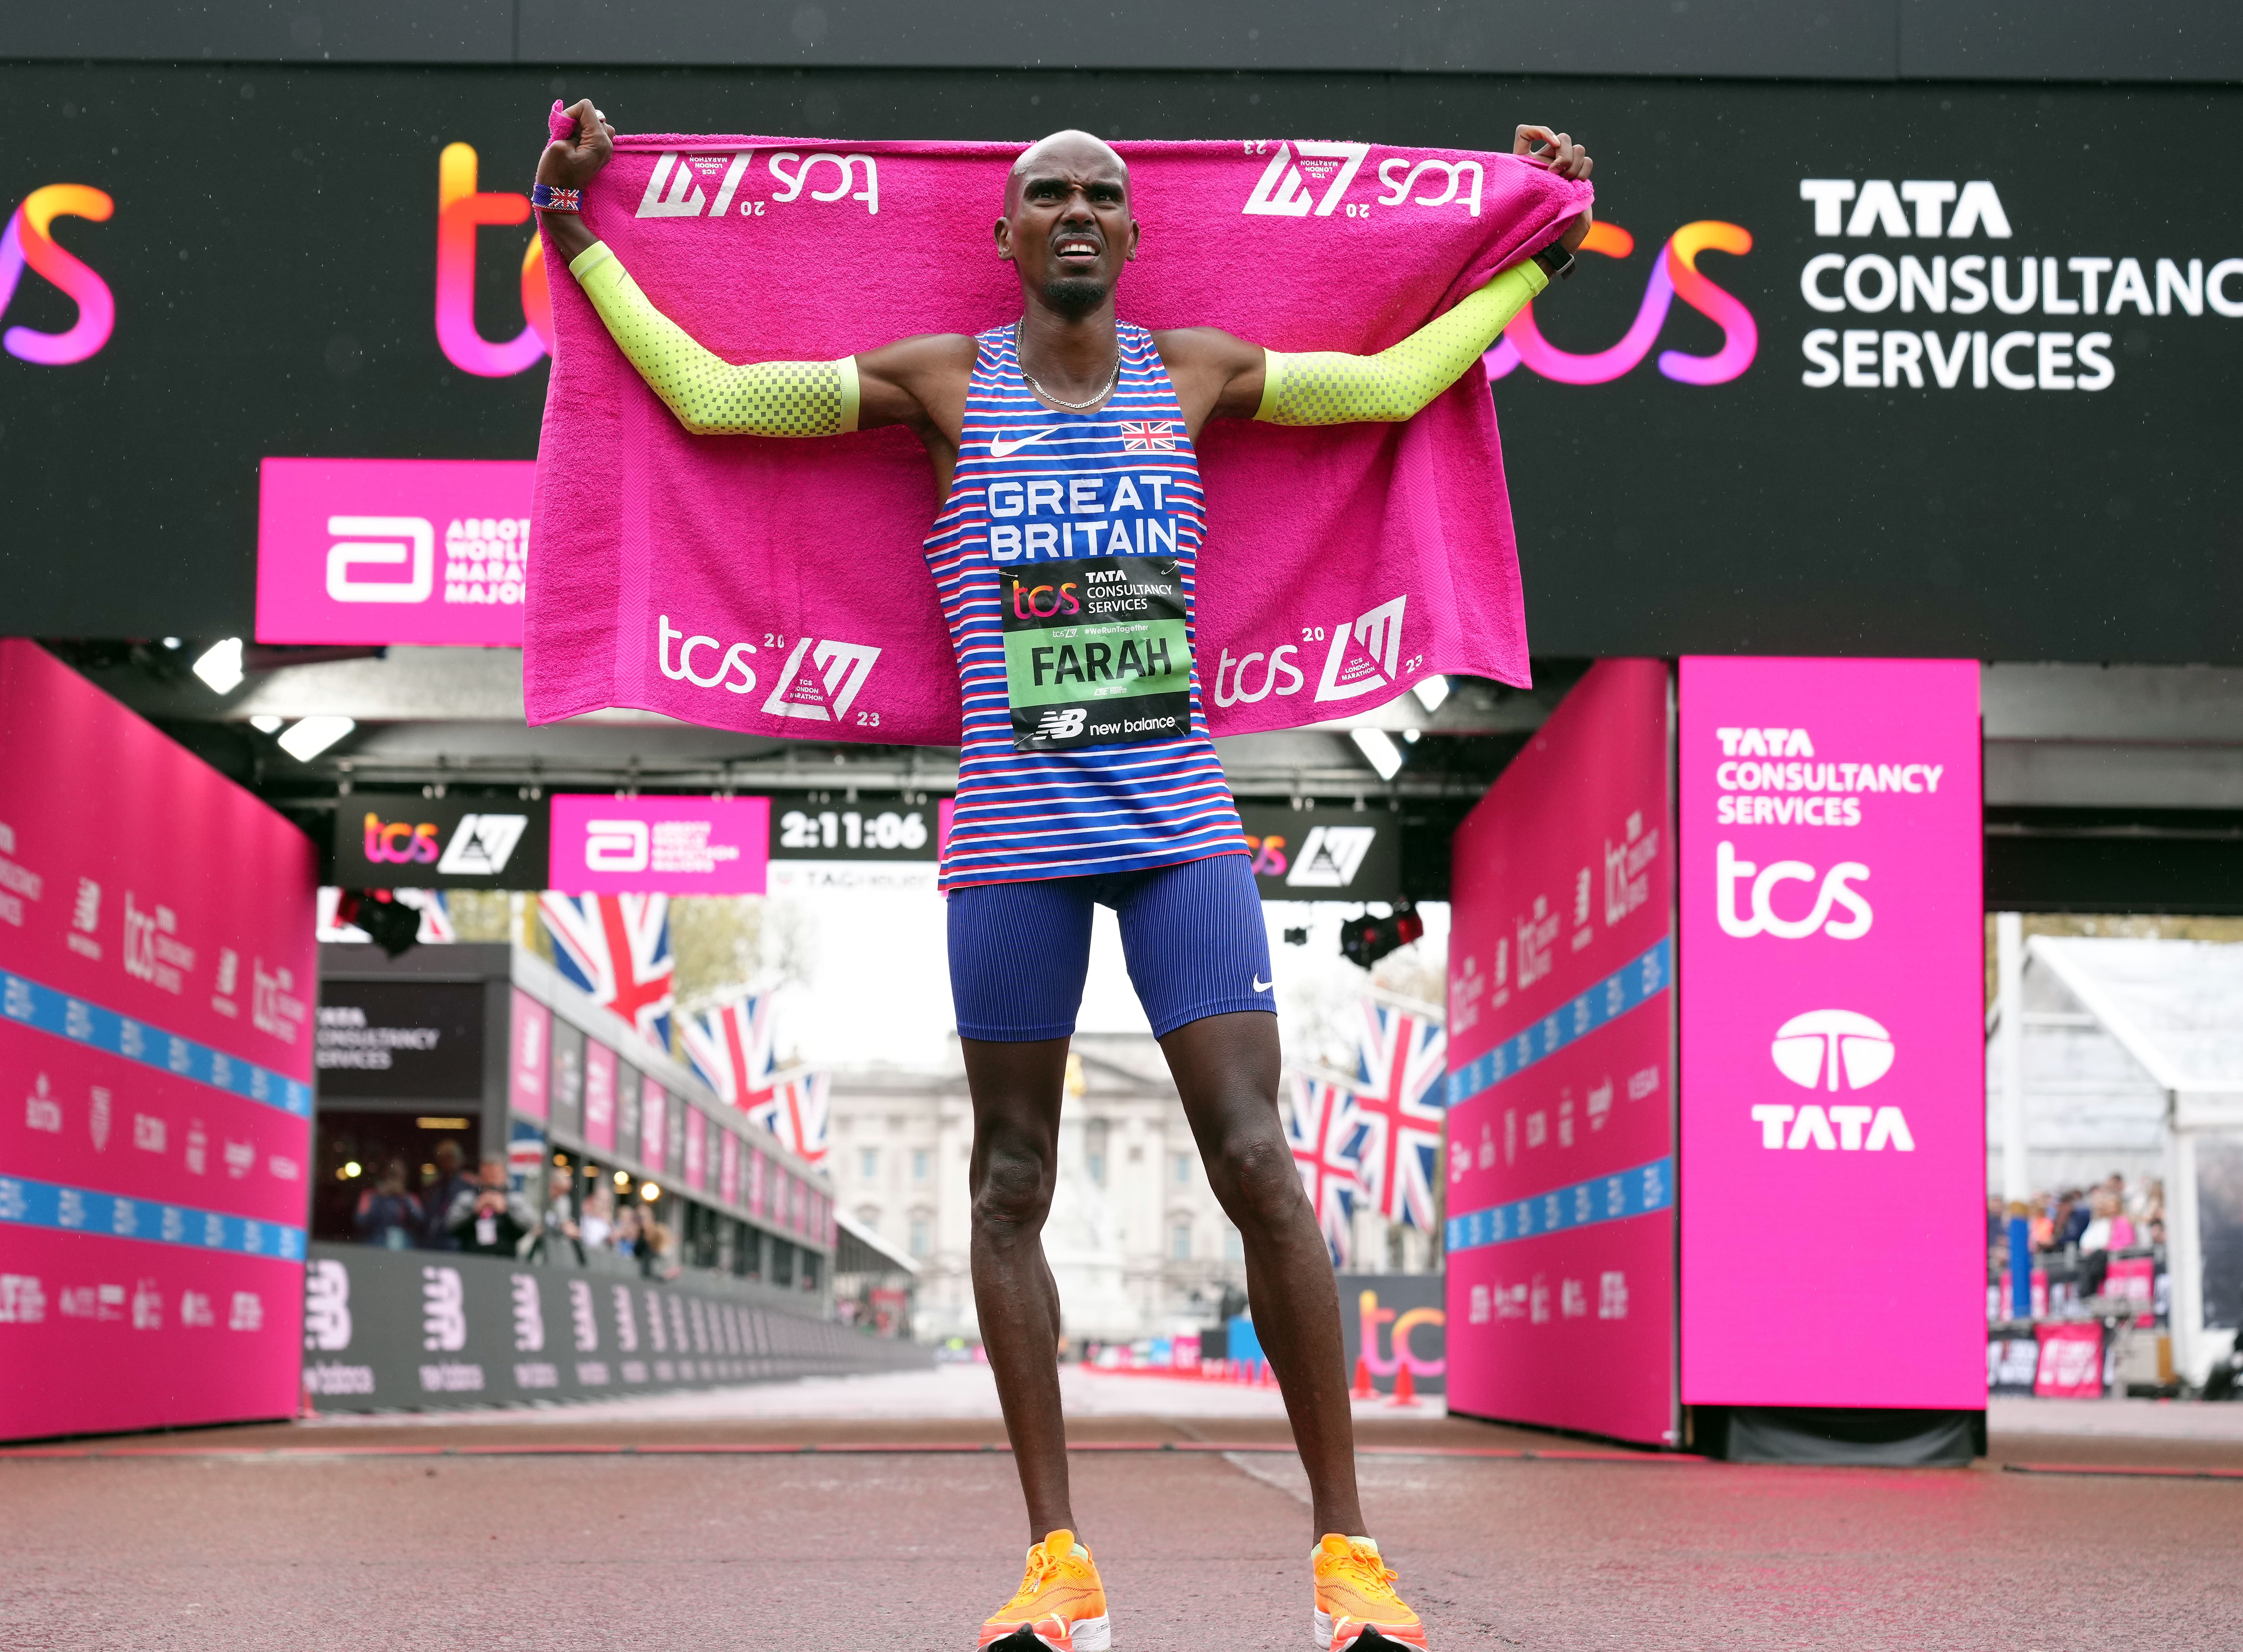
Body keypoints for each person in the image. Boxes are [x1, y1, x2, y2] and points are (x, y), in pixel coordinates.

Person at [535, 104, 1594, 1652]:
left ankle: (1348, 1556)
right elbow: (704, 395)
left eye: (1105, 193)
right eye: (1049, 194)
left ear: (1135, 233)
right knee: (1010, 1181)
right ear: (1007, 231)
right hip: (1018, 834)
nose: (1080, 212)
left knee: (1257, 1161)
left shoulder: (1204, 370)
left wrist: (1535, 261)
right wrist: (578, 240)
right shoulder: (939, 382)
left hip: (1177, 825)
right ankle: (1057, 1561)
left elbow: (1391, 384)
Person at [455, 1160, 530, 1256]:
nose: (491, 1180)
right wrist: (474, 1212)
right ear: (480, 1177)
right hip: (472, 1257)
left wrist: (506, 1211)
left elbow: (528, 1226)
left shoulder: (514, 1199)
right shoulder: (468, 1198)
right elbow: (452, 1226)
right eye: (487, 1175)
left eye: (495, 1175)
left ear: (504, 1176)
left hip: (505, 1260)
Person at [353, 1159, 422, 1250]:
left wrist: (403, 1197)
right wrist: (379, 1197)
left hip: (404, 1243)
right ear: (385, 1174)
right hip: (376, 1242)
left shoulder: (410, 1197)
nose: (394, 1180)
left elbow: (420, 1219)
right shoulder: (370, 1195)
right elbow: (361, 1220)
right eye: (392, 1175)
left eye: (398, 1176)